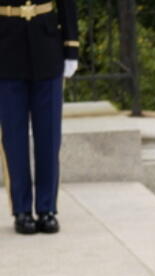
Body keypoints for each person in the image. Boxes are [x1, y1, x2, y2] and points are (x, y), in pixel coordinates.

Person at [0, 0, 78, 235]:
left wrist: (71, 48)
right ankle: (22, 210)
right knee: (14, 139)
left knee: (49, 136)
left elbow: (67, 4)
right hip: (5, 50)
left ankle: (47, 208)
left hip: (47, 48)